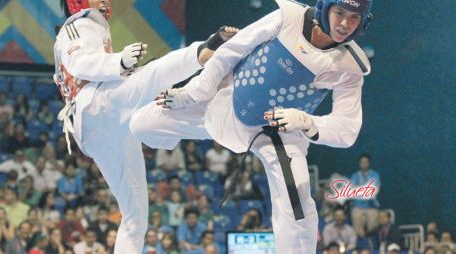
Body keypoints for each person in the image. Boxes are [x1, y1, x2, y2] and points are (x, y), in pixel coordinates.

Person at [129, 0, 373, 252]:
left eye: (354, 17)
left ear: (364, 22)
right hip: (226, 100)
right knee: (141, 124)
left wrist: (307, 121)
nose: (345, 23)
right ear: (325, 8)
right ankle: (175, 134)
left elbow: (347, 129)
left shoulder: (350, 67)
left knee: (298, 202)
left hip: (277, 134)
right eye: (340, 13)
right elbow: (232, 49)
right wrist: (192, 92)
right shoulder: (288, 17)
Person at [55, 0, 237, 253]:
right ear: (76, 2)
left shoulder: (94, 27)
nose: (105, 1)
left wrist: (118, 64)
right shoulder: (77, 24)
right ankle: (206, 50)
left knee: (134, 215)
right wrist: (118, 62)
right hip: (93, 105)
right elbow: (80, 61)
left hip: (100, 131)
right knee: (152, 74)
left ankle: (209, 112)